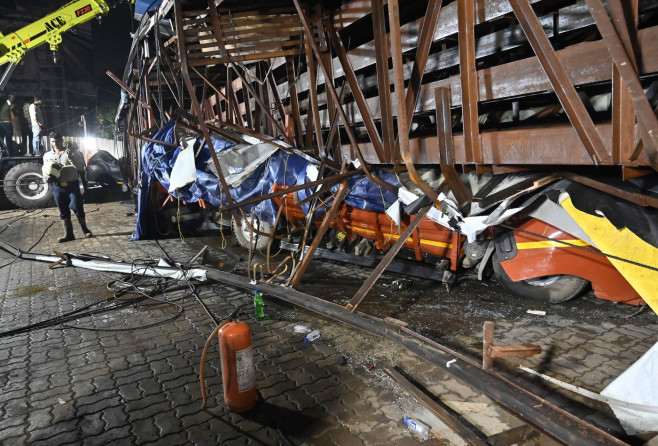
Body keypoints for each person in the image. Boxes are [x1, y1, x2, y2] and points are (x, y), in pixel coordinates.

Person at [43, 131, 93, 242]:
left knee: (77, 207)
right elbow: (44, 170)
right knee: (63, 210)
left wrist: (70, 158)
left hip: (72, 185)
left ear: (61, 140)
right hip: (57, 187)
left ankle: (85, 230)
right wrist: (46, 178)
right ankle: (68, 234)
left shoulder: (73, 152)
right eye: (52, 142)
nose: (55, 144)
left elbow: (80, 168)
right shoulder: (47, 155)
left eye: (57, 141)